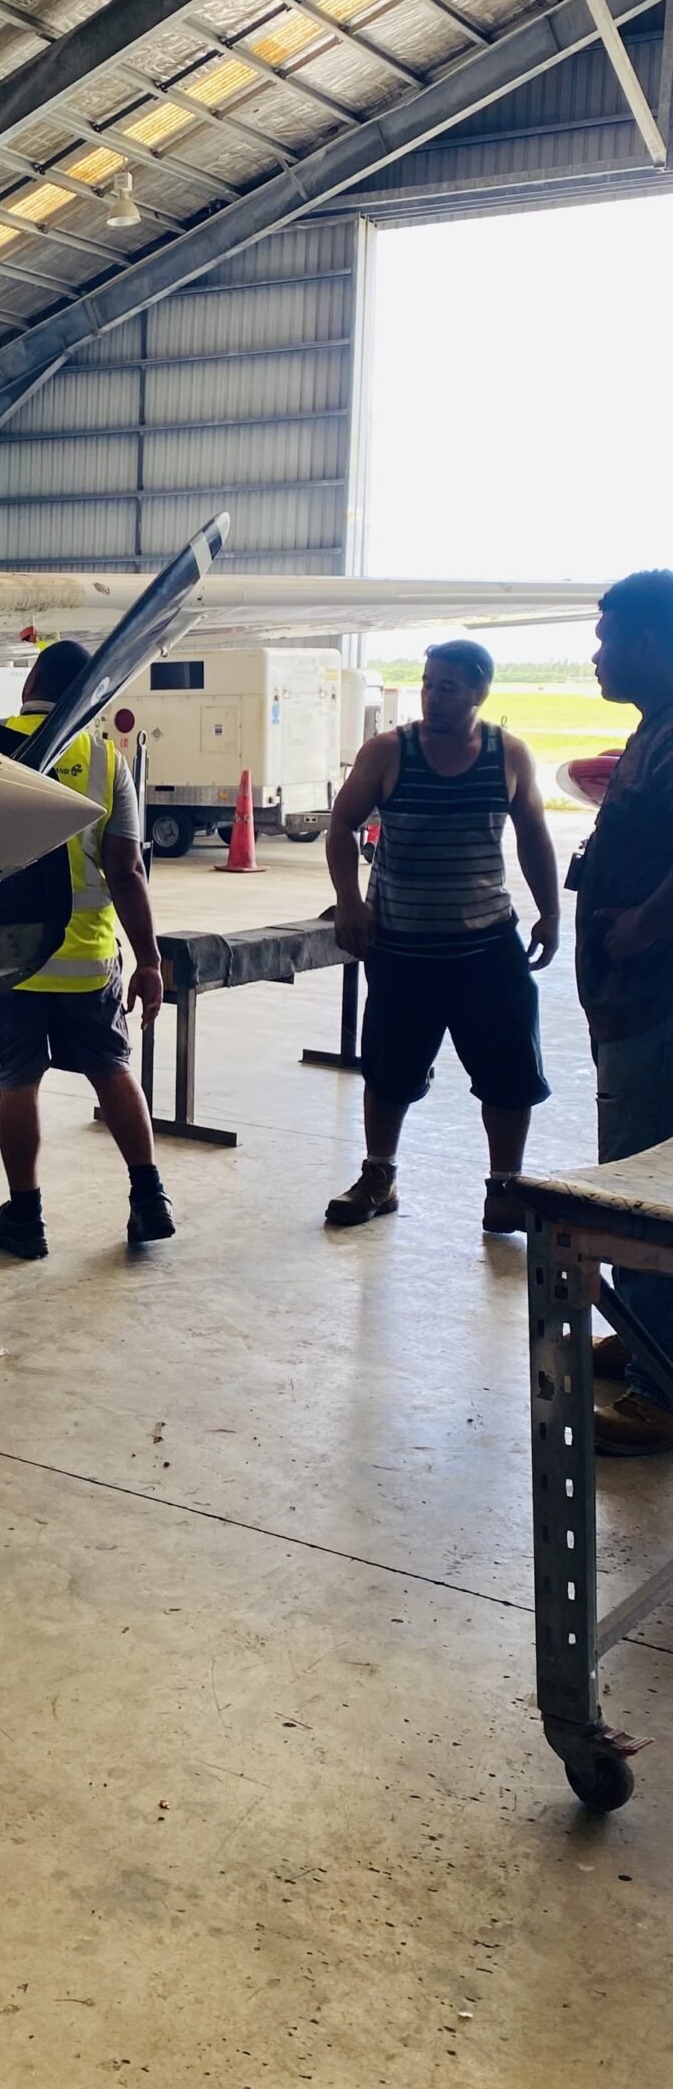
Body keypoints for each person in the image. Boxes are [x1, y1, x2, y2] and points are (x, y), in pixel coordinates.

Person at [0, 591, 174, 1257]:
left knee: (16, 1082)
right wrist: (149, 960)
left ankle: (24, 1217)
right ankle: (148, 1196)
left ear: (29, 686)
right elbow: (126, 869)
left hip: (9, 961)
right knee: (112, 1070)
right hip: (87, 961)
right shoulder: (109, 761)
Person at [323, 639, 561, 1231]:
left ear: (480, 692)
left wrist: (551, 913)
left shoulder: (509, 755)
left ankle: (505, 1188)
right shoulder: (386, 753)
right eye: (429, 683)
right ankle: (379, 1177)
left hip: (487, 946)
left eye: (447, 686)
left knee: (508, 1072)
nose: (433, 696)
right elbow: (342, 825)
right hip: (403, 947)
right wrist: (350, 903)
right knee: (388, 1068)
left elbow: (533, 834)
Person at [572, 571, 673, 1455]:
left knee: (647, 1185)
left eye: (608, 637)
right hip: (630, 999)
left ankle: (661, 1387)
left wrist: (645, 922)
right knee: (635, 1165)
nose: (596, 654)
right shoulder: (656, 730)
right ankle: (652, 1340)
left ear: (649, 641)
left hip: (657, 999)